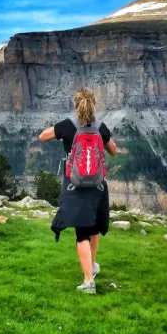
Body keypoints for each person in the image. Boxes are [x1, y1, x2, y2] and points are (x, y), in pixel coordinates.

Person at [38, 88, 118, 295]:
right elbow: (114, 151)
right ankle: (91, 267)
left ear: (76, 106)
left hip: (75, 186)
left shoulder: (67, 126)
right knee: (93, 228)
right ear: (93, 106)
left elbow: (42, 137)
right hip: (98, 187)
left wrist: (59, 130)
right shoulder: (101, 128)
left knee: (81, 233)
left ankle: (89, 281)